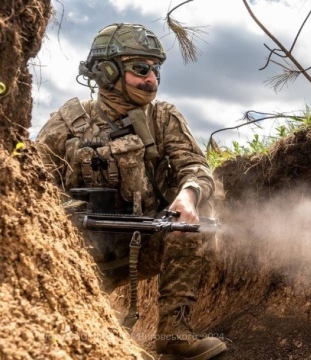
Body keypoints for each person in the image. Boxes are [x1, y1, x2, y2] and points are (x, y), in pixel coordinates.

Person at [36, 23, 226, 359]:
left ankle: (173, 335)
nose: (152, 78)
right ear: (108, 72)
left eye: (156, 69)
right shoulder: (66, 123)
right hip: (79, 256)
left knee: (192, 224)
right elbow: (30, 180)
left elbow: (195, 168)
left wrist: (189, 195)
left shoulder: (163, 118)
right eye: (141, 69)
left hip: (146, 244)